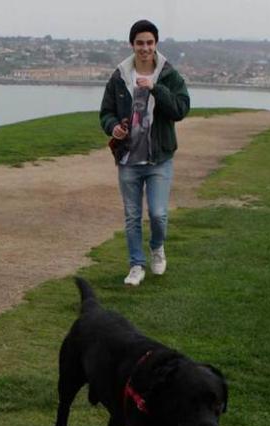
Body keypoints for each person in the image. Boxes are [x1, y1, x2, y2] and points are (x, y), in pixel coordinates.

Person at [101, 19, 190, 287]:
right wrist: (113, 127)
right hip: (128, 159)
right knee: (132, 215)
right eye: (140, 43)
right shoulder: (119, 76)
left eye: (149, 43)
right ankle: (136, 265)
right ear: (132, 44)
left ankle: (157, 247)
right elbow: (105, 113)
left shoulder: (168, 75)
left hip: (159, 158)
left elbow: (181, 109)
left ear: (156, 44)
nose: (145, 48)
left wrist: (155, 88)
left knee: (159, 214)